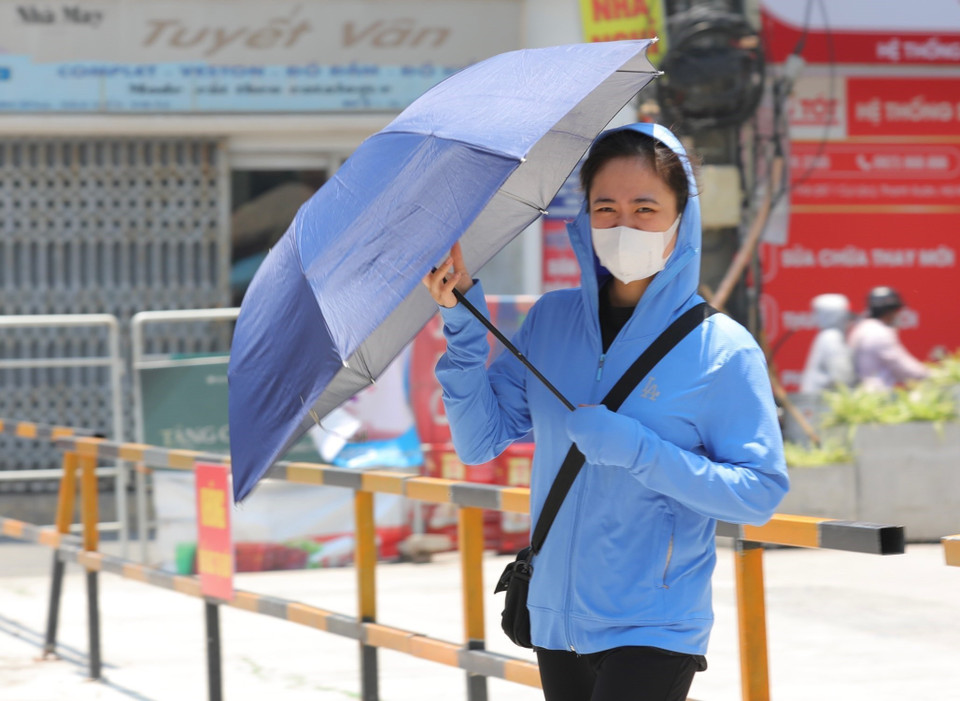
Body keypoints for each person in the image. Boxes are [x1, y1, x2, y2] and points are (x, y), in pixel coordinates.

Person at [422, 123, 788, 700]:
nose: (624, 225)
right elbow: (479, 441)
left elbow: (758, 493)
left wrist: (638, 450)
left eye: (645, 208)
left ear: (680, 217)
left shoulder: (722, 349)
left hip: (654, 623)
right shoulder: (550, 321)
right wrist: (462, 324)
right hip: (554, 618)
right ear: (584, 217)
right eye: (606, 207)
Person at [848, 286, 930, 392]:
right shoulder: (880, 333)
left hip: (862, 393)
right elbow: (901, 366)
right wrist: (930, 375)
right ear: (889, 312)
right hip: (877, 396)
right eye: (896, 311)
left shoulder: (862, 328)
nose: (897, 315)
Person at [799, 293, 855, 394]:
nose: (848, 321)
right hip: (820, 402)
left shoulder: (826, 336)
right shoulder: (832, 338)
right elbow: (843, 376)